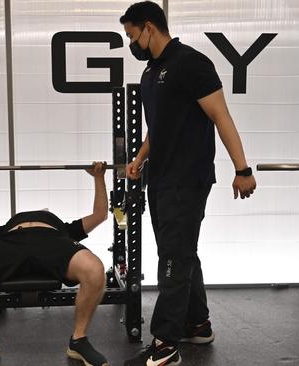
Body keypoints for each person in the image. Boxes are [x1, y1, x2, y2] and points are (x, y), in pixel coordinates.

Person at [119, 2, 257, 365]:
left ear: (149, 27)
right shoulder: (151, 73)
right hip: (160, 178)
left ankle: (165, 345)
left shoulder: (191, 63)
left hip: (188, 178)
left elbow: (220, 115)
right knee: (181, 253)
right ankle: (198, 324)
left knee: (173, 258)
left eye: (132, 35)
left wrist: (242, 169)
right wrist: (138, 159)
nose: (131, 43)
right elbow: (158, 127)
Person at [0, 161, 110, 366]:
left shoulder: (64, 230)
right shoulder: (1, 232)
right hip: (9, 244)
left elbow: (100, 215)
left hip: (53, 242)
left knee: (95, 270)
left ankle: (79, 340)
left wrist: (98, 177)